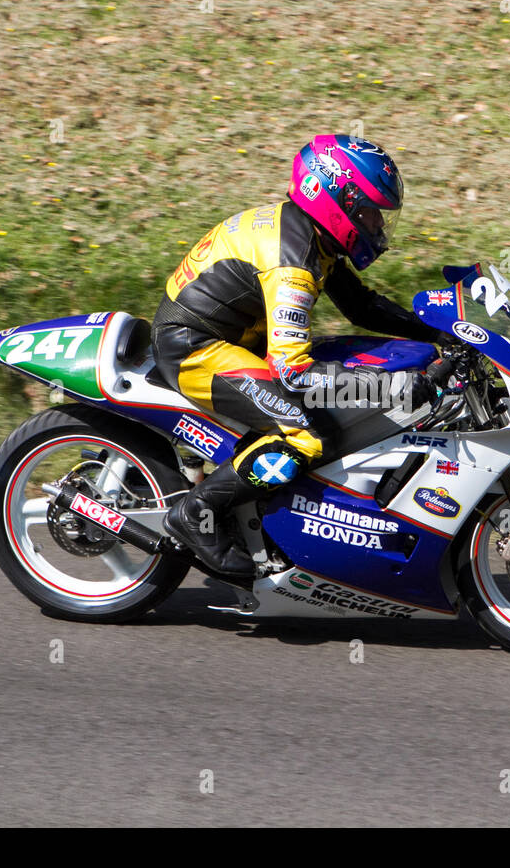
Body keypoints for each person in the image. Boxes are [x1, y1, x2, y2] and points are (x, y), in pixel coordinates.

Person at [151, 134, 441, 574]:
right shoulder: (293, 264)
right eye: (369, 211)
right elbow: (293, 371)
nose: (378, 226)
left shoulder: (310, 235)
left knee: (346, 378)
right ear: (336, 200)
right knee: (303, 434)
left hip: (234, 339)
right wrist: (397, 388)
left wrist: (443, 332)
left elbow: (361, 306)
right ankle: (195, 515)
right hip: (195, 348)